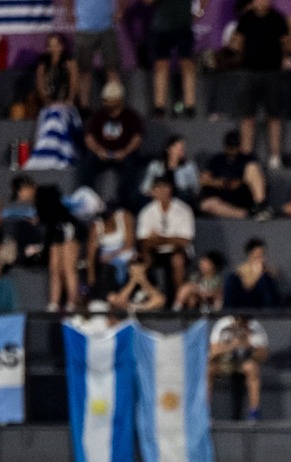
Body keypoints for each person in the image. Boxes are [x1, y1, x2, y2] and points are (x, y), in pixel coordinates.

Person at [235, 0, 291, 171]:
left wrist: (285, 58)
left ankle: (275, 156)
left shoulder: (277, 18)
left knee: (274, 116)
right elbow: (238, 40)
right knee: (248, 116)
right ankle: (246, 156)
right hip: (250, 72)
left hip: (272, 72)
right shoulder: (246, 18)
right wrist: (239, 57)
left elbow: (285, 42)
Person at [83, 80, 146, 211]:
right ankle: (87, 198)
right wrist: (98, 150)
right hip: (102, 153)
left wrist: (125, 151)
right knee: (88, 162)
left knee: (131, 165)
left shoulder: (131, 116)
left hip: (124, 154)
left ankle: (126, 201)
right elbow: (89, 137)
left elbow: (137, 138)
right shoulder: (99, 115)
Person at [136, 173, 196, 290]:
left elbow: (185, 241)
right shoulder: (146, 212)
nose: (162, 191)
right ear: (153, 191)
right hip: (155, 251)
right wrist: (170, 239)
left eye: (165, 187)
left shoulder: (184, 210)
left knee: (177, 260)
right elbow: (144, 241)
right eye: (158, 188)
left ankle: (179, 299)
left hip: (177, 251)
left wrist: (158, 239)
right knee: (142, 258)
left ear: (170, 190)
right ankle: (149, 296)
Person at [207, 313, 267, 417]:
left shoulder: (255, 326)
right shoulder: (222, 325)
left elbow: (264, 355)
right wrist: (231, 346)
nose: (243, 323)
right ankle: (204, 411)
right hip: (224, 362)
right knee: (209, 369)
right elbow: (212, 353)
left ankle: (254, 412)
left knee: (252, 368)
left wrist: (249, 346)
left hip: (244, 362)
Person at [202, 132, 270, 219]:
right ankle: (247, 214)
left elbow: (256, 177)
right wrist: (221, 183)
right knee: (207, 205)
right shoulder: (217, 160)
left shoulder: (247, 158)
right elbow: (203, 180)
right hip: (224, 197)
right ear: (225, 146)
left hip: (243, 195)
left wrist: (239, 182)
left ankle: (261, 206)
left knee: (253, 167)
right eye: (230, 147)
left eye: (235, 146)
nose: (233, 150)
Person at [149, 0, 199, 116]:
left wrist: (200, 11)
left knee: (187, 64)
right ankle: (159, 106)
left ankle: (189, 105)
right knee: (161, 64)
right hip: (161, 26)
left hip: (183, 25)